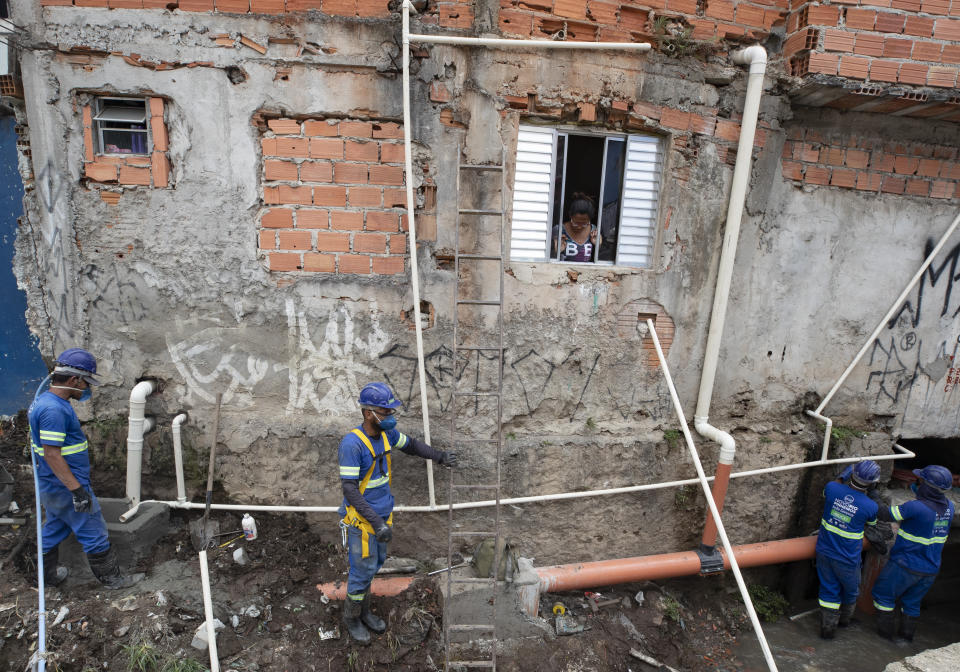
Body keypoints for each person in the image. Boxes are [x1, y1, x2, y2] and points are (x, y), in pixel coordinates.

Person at [337, 382, 457, 644]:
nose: (390, 417)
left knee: (372, 568)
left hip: (380, 520)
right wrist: (376, 522)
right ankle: (351, 618)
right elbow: (349, 489)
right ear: (369, 413)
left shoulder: (387, 436)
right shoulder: (352, 445)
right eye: (386, 411)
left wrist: (439, 456)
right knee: (360, 573)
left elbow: (412, 445)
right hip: (364, 523)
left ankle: (365, 612)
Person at [28, 348, 144, 589]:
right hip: (65, 486)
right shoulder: (53, 410)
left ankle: (46, 576)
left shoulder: (47, 402)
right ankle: (113, 581)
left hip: (51, 485)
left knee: (54, 526)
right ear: (73, 379)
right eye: (85, 383)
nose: (86, 388)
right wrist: (77, 490)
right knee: (93, 530)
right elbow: (52, 453)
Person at [871, 465, 955, 641]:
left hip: (905, 565)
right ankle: (905, 639)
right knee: (911, 603)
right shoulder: (949, 507)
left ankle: (884, 638)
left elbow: (886, 514)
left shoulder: (915, 507)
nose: (917, 482)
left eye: (920, 481)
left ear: (927, 486)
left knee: (883, 595)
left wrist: (873, 493)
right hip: (930, 569)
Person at [815, 460, 881, 639]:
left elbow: (832, 488)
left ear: (852, 474)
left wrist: (843, 474)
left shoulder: (831, 488)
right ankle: (844, 622)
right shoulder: (870, 506)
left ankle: (827, 630)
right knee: (851, 590)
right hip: (847, 559)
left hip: (824, 551)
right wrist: (874, 495)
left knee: (829, 589)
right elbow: (872, 524)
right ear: (873, 482)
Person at [553, 193, 598, 262]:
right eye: (575, 223)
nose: (579, 227)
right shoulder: (559, 230)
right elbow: (550, 256)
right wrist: (558, 250)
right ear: (570, 215)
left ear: (590, 219)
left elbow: (600, 249)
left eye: (584, 224)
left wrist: (597, 243)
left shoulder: (593, 230)